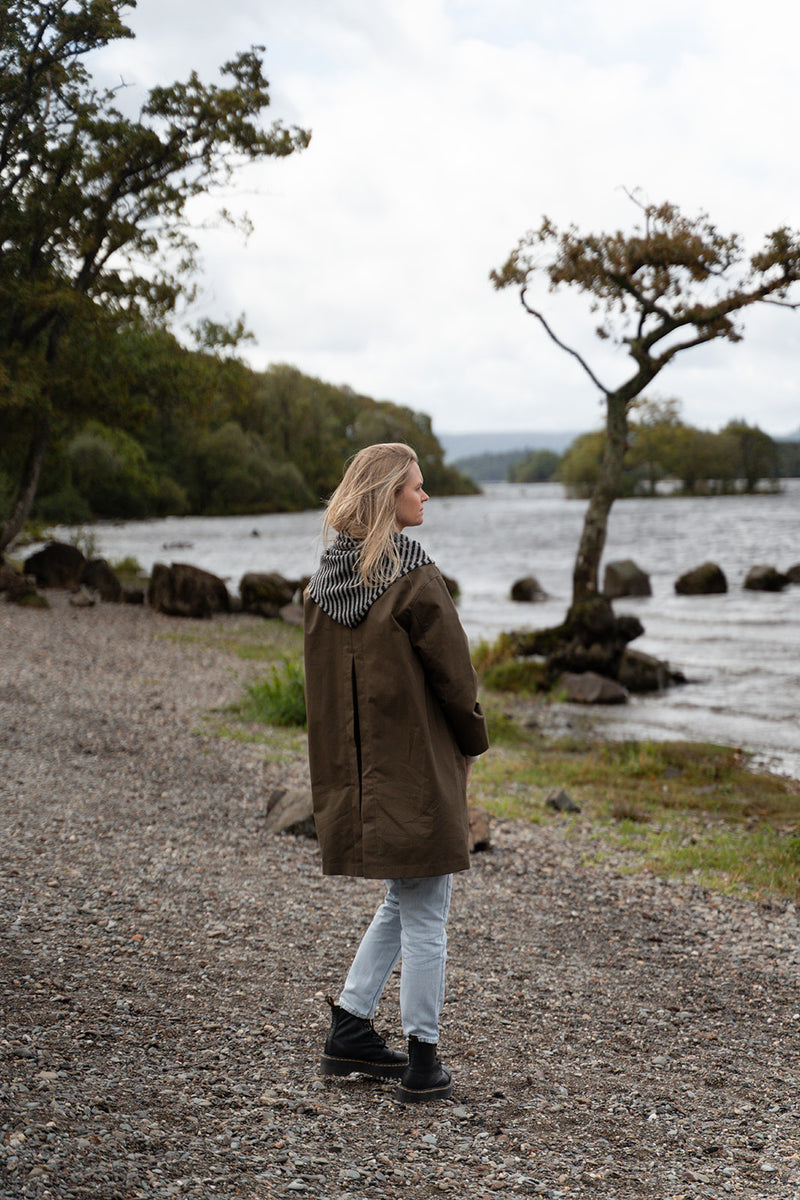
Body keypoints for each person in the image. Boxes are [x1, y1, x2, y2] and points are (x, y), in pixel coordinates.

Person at [303, 442, 489, 1104]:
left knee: (402, 896)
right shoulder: (415, 578)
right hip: (415, 769)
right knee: (427, 909)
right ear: (389, 495)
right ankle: (423, 1059)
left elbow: (319, 696)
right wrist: (473, 739)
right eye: (416, 485)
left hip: (359, 777)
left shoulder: (322, 588)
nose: (425, 494)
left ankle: (351, 1025)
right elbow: (456, 676)